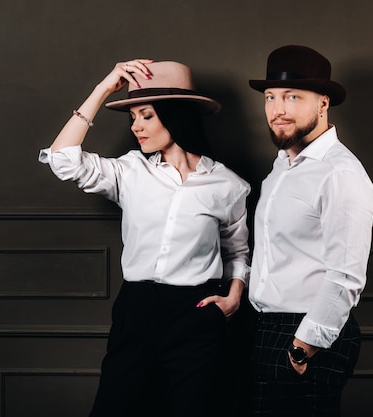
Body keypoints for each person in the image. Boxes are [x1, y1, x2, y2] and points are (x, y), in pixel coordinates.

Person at [38, 59, 251, 417]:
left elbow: (237, 250)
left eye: (146, 115)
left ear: (176, 115)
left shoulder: (228, 185)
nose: (136, 126)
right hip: (136, 310)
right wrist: (102, 88)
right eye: (132, 117)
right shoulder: (130, 171)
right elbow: (63, 161)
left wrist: (234, 296)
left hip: (197, 315)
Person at [247, 45, 373, 416]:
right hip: (264, 328)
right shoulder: (281, 168)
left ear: (323, 103)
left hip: (306, 334)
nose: (278, 109)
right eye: (270, 97)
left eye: (292, 96)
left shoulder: (340, 174)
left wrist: (302, 347)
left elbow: (346, 275)